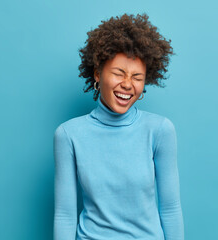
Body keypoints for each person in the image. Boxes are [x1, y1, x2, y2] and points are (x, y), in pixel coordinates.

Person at [54, 13, 184, 240]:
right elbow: (65, 215)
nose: (127, 84)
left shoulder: (160, 130)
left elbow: (171, 210)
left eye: (137, 77)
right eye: (118, 73)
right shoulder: (68, 134)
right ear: (97, 73)